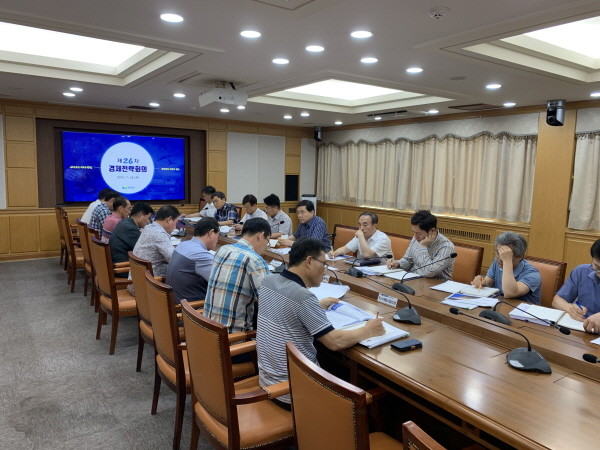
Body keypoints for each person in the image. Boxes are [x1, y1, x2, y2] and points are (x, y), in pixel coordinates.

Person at [256, 237, 385, 409]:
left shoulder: (268, 281)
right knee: (367, 396)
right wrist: (369, 329)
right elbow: (334, 342)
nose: (325, 270)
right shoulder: (303, 297)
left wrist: (316, 306)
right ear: (309, 261)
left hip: (267, 383)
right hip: (294, 392)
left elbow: (285, 309)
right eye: (323, 264)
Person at [204, 218, 271, 333]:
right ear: (260, 236)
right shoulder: (255, 260)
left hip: (208, 329)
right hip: (232, 337)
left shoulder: (222, 250)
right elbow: (268, 304)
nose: (265, 247)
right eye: (267, 241)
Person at [472, 231, 541, 304]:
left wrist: (507, 261)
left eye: (505, 255)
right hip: (499, 306)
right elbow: (489, 283)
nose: (499, 258)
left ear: (520, 256)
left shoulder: (532, 274)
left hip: (520, 310)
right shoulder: (497, 262)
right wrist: (482, 282)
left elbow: (509, 293)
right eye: (498, 253)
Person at [388, 210, 455, 280]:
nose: (415, 236)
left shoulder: (446, 247)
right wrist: (398, 264)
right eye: (414, 232)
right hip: (414, 279)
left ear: (432, 231)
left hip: (436, 283)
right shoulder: (416, 238)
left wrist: (422, 246)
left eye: (418, 233)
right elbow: (408, 260)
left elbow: (430, 272)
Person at [166, 218, 220, 304]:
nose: (218, 239)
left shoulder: (182, 244)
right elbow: (220, 283)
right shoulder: (201, 255)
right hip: (191, 308)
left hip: (175, 301)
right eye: (218, 235)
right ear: (211, 233)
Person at [552, 239, 600, 334]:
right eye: (597, 267)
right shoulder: (581, 271)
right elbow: (557, 300)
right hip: (581, 331)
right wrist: (570, 308)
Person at [132, 205, 180, 277]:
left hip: (138, 277)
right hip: (149, 280)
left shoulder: (149, 227)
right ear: (169, 219)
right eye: (176, 222)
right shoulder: (159, 234)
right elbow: (174, 260)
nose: (175, 227)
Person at [109, 202, 154, 266]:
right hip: (123, 266)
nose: (148, 221)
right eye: (148, 218)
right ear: (140, 215)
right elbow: (144, 250)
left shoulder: (126, 223)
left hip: (120, 261)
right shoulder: (130, 228)